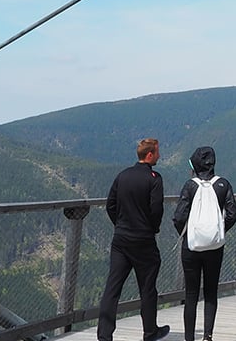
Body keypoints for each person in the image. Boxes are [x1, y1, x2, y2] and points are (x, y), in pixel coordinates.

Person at [98, 139, 170, 341]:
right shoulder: (154, 179)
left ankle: (104, 336)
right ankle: (150, 332)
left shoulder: (122, 176)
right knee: (147, 288)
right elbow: (156, 209)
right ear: (150, 155)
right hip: (143, 240)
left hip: (120, 240)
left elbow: (110, 205)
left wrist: (120, 224)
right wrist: (152, 228)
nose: (159, 156)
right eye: (157, 152)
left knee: (112, 289)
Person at [173, 146, 236, 341]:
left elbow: (179, 216)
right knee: (211, 292)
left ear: (195, 164)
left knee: (191, 293)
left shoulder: (190, 186)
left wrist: (188, 234)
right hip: (214, 247)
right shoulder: (223, 184)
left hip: (191, 247)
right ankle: (208, 336)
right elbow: (233, 212)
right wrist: (219, 230)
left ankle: (189, 338)